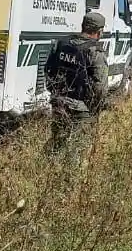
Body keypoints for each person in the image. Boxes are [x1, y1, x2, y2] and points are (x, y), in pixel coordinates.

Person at [43, 11, 109, 159]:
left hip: (59, 101)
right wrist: (96, 106)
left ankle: (47, 175)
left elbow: (48, 70)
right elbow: (100, 86)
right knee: (78, 150)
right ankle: (70, 179)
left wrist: (54, 92)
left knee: (57, 141)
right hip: (82, 107)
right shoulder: (95, 51)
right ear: (99, 31)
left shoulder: (63, 43)